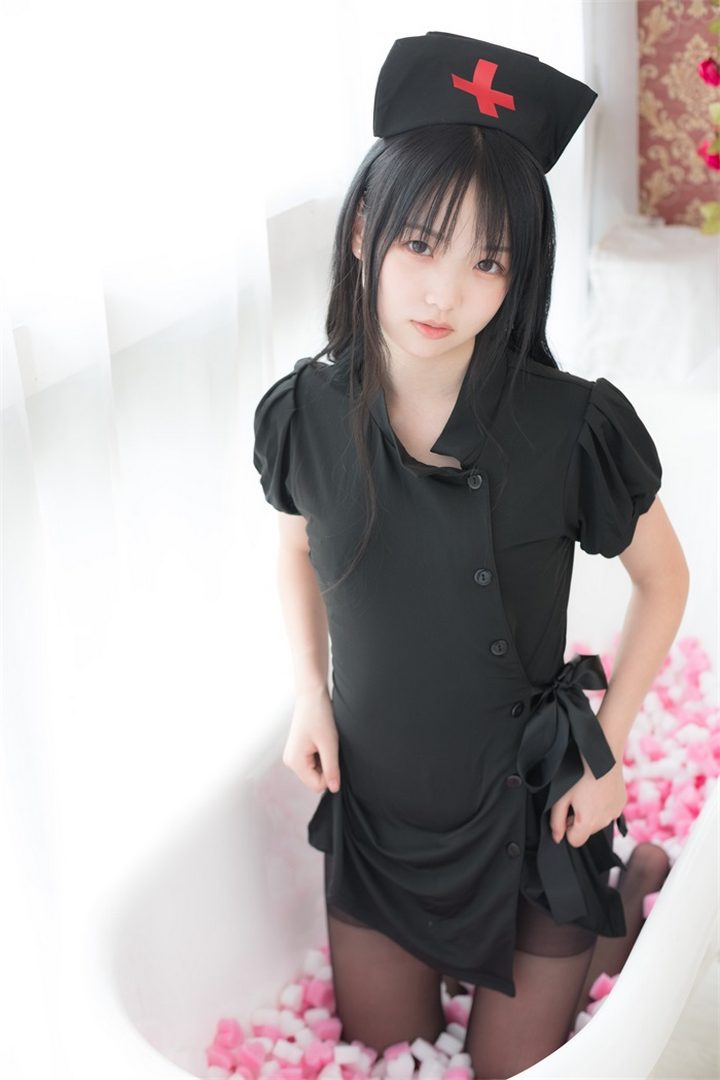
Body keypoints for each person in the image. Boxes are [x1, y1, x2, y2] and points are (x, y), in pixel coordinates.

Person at [252, 31, 689, 1080]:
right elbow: (296, 550)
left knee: (506, 1070)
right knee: (382, 1048)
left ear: (518, 275)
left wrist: (609, 750)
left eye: (487, 261)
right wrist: (310, 694)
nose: (443, 293)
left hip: (532, 814)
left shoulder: (569, 426)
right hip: (382, 806)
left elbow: (664, 579)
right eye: (421, 244)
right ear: (365, 231)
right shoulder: (305, 410)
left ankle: (625, 889)